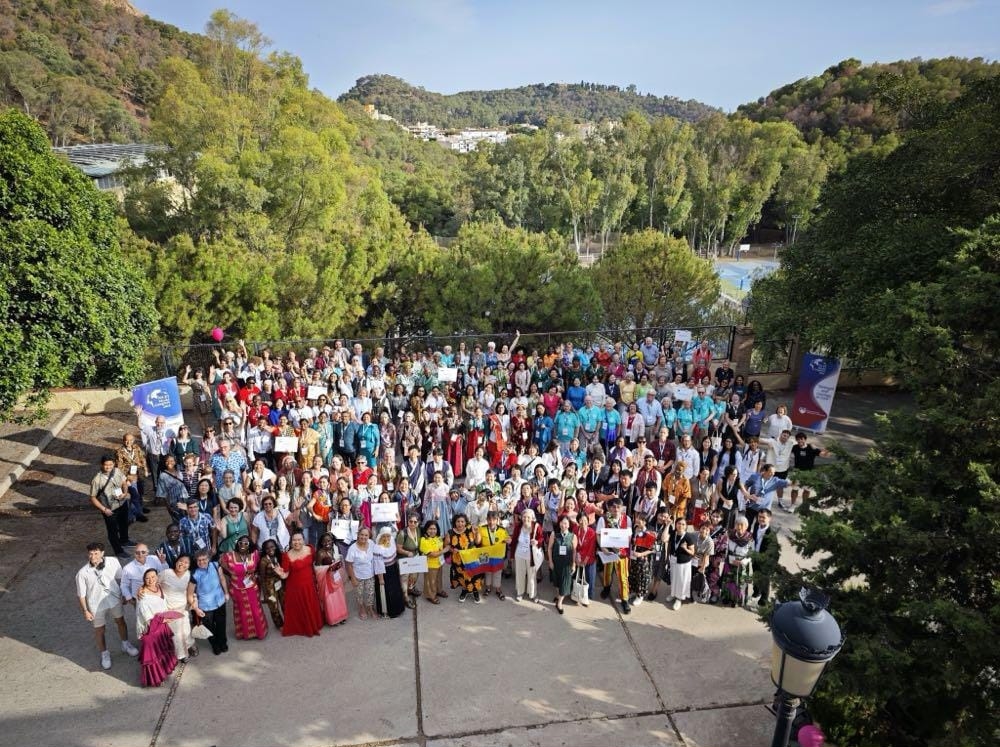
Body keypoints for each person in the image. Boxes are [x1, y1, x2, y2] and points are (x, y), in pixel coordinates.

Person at [76, 542, 139, 671]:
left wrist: (123, 594)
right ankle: (104, 654)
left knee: (120, 621)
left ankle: (125, 644)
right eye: (91, 553)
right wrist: (85, 611)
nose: (93, 556)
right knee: (100, 630)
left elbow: (121, 579)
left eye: (96, 553)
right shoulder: (82, 573)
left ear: (102, 553)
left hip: (114, 599)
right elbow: (81, 595)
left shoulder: (113, 562)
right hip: (96, 604)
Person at [134, 569, 179, 686]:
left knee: (163, 651)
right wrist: (164, 620)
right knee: (154, 656)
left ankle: (164, 671)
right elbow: (146, 616)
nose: (150, 580)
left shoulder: (159, 587)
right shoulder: (143, 595)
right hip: (152, 630)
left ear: (157, 577)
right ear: (144, 579)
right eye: (147, 578)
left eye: (153, 577)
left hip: (162, 626)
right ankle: (156, 679)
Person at [220, 535, 268, 640]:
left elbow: (258, 567)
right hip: (236, 589)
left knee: (255, 610)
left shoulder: (254, 554)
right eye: (240, 542)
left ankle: (259, 632)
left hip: (252, 587)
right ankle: (244, 634)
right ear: (237, 543)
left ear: (249, 545)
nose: (243, 545)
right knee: (242, 612)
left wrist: (255, 574)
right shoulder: (228, 556)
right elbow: (222, 567)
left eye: (246, 543)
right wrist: (230, 574)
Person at [187, 550, 230, 655]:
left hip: (219, 600)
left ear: (208, 559)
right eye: (199, 560)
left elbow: (222, 579)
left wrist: (226, 593)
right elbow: (189, 594)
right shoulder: (194, 574)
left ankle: (223, 642)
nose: (202, 562)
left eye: (204, 559)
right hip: (205, 606)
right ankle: (215, 644)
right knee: (209, 627)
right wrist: (196, 609)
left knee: (221, 624)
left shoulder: (215, 565)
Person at [89, 455, 132, 558]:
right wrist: (104, 509)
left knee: (124, 523)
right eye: (106, 465)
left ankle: (124, 540)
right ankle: (118, 551)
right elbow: (93, 498)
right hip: (109, 508)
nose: (108, 467)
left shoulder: (117, 471)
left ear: (114, 464)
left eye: (110, 464)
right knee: (112, 530)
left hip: (121, 503)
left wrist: (125, 493)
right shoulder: (97, 479)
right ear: (102, 465)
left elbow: (124, 482)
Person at [157, 553, 195, 660]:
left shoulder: (188, 574)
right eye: (181, 561)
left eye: (186, 563)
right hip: (169, 610)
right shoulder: (166, 573)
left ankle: (190, 645)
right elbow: (155, 584)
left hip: (183, 609)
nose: (182, 564)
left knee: (186, 631)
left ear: (189, 565)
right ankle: (181, 655)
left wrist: (193, 604)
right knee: (176, 635)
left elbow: (189, 591)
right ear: (176, 561)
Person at [597, 498, 632, 614]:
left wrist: (621, 546)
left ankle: (624, 599)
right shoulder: (603, 519)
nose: (616, 509)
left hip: (622, 553)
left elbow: (629, 536)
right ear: (609, 508)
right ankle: (606, 588)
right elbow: (598, 535)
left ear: (622, 508)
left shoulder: (627, 519)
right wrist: (603, 548)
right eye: (613, 507)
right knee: (607, 572)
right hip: (608, 552)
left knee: (623, 576)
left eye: (618, 507)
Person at [447, 514, 484, 603]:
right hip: (458, 560)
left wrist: (477, 532)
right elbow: (447, 545)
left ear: (465, 522)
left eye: (462, 521)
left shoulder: (470, 529)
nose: (460, 524)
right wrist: (452, 550)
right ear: (455, 523)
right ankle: (464, 590)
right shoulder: (450, 532)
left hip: (472, 558)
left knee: (474, 575)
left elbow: (477, 542)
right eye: (458, 521)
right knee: (462, 576)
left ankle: (475, 591)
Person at [314, 533, 349, 626]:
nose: (327, 543)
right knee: (330, 599)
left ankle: (342, 616)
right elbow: (317, 569)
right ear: (321, 543)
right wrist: (328, 568)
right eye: (324, 541)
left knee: (339, 596)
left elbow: (340, 559)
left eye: (329, 540)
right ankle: (333, 619)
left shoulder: (335, 549)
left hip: (337, 577)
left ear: (332, 541)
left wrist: (339, 565)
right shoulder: (320, 553)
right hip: (327, 580)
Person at [510, 508, 543, 603]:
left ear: (532, 518)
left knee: (532, 575)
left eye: (528, 517)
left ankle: (533, 594)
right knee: (520, 574)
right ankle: (520, 592)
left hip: (531, 555)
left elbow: (541, 539)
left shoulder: (536, 526)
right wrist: (512, 555)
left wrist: (537, 542)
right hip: (519, 554)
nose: (526, 519)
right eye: (524, 517)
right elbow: (514, 541)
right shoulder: (518, 527)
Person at [720, 515, 754, 607]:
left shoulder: (750, 538)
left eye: (742, 525)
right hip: (730, 562)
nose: (739, 527)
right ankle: (727, 598)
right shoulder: (730, 535)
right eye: (737, 524)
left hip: (742, 564)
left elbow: (752, 555)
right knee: (728, 581)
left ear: (746, 527)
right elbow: (725, 547)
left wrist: (742, 562)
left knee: (740, 583)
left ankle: (737, 601)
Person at [373, 526, 406, 618]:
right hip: (384, 572)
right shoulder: (377, 548)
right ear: (380, 536)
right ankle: (388, 612)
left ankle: (398, 609)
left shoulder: (391, 542)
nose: (386, 538)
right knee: (387, 591)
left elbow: (394, 557)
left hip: (393, 570)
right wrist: (381, 579)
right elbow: (378, 565)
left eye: (388, 536)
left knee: (395, 590)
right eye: (384, 536)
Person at [547, 515, 577, 614]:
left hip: (567, 564)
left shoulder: (573, 536)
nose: (563, 525)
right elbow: (550, 548)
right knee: (557, 581)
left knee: (565, 583)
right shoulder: (554, 535)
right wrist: (550, 561)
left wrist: (573, 564)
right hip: (556, 563)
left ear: (569, 525)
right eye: (562, 523)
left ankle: (559, 603)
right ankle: (558, 595)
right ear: (559, 523)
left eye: (566, 523)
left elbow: (574, 552)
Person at [345, 527, 377, 620]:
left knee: (371, 593)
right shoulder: (352, 548)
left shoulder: (371, 543)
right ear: (358, 535)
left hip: (370, 575)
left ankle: (370, 608)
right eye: (362, 534)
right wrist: (353, 579)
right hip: (358, 576)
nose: (363, 537)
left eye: (366, 535)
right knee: (359, 594)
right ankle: (361, 608)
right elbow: (349, 565)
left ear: (369, 536)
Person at [666, 517, 698, 610]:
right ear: (675, 524)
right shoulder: (673, 534)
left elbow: (692, 552)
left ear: (686, 526)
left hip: (684, 563)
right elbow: (669, 546)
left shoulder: (688, 536)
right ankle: (673, 594)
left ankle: (679, 598)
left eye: (683, 524)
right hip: (673, 560)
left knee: (681, 580)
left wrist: (685, 548)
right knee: (674, 578)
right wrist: (667, 557)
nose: (680, 526)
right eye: (679, 523)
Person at [481, 511, 511, 600]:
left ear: (497, 520)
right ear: (486, 520)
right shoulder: (481, 529)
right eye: (489, 520)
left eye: (494, 520)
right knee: (487, 572)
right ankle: (488, 588)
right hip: (485, 555)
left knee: (497, 572)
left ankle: (498, 589)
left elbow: (508, 539)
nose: (491, 522)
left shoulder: (502, 530)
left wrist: (508, 540)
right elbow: (478, 541)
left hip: (498, 555)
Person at [627, 515, 656, 606]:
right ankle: (633, 592)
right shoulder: (634, 528)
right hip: (633, 557)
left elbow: (653, 549)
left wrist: (641, 554)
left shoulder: (649, 532)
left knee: (641, 577)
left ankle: (640, 595)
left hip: (643, 559)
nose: (638, 520)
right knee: (633, 575)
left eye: (642, 519)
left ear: (645, 522)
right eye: (638, 518)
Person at [257, 538, 286, 629]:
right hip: (269, 587)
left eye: (272, 547)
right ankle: (279, 624)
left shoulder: (279, 556)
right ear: (265, 550)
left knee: (284, 603)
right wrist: (264, 593)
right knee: (274, 606)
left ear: (275, 547)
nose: (270, 550)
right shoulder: (263, 561)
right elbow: (262, 577)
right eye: (267, 548)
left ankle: (289, 621)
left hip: (280, 584)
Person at [396, 512, 423, 606]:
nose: (412, 524)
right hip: (404, 559)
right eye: (410, 521)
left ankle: (411, 589)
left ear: (418, 523)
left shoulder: (418, 530)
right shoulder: (402, 533)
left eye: (415, 522)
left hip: (415, 556)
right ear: (407, 521)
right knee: (405, 578)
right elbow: (398, 548)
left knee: (414, 576)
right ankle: (406, 598)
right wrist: (407, 552)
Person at [419, 520, 446, 604]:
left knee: (438, 579)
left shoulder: (438, 538)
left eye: (434, 529)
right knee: (430, 581)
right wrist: (445, 550)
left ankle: (439, 591)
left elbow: (441, 546)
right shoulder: (424, 540)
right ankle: (431, 596)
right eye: (430, 529)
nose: (432, 531)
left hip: (439, 563)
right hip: (430, 565)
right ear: (426, 529)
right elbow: (432, 555)